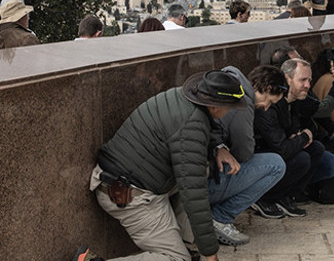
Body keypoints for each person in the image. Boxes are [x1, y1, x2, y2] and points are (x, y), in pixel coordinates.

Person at [81, 70, 250, 261]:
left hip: (130, 179)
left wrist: (218, 148)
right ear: (215, 106)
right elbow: (194, 195)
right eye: (230, 107)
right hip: (130, 195)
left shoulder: (183, 98)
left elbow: (206, 131)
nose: (230, 112)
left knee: (201, 170)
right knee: (177, 259)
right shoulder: (190, 124)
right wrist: (211, 254)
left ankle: (185, 244)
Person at [205, 66, 286, 246]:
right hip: (205, 180)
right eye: (270, 102)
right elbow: (244, 152)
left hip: (195, 174)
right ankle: (220, 217)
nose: (266, 108)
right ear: (266, 88)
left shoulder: (230, 83)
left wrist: (221, 147)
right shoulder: (243, 102)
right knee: (276, 165)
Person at [252, 59, 334, 219]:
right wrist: (303, 136)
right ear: (287, 79)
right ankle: (265, 198)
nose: (307, 85)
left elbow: (310, 122)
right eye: (303, 80)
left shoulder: (296, 100)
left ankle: (288, 196)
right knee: (302, 158)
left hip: (280, 148)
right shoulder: (268, 104)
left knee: (317, 149)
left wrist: (301, 136)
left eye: (309, 80)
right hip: (264, 154)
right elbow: (282, 148)